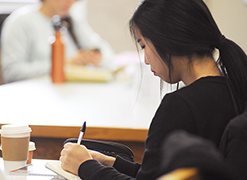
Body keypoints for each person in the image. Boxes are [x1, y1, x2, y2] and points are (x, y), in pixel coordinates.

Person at [59, 0, 247, 179]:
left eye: (143, 46)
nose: (146, 60)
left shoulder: (179, 106)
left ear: (166, 40)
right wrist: (108, 162)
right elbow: (161, 174)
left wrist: (85, 167)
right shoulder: (236, 88)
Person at [0, 0, 114, 83]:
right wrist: (62, 63)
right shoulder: (21, 22)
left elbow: (104, 50)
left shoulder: (72, 20)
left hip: (71, 91)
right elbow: (11, 72)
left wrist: (98, 58)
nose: (70, 2)